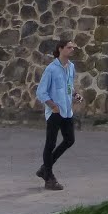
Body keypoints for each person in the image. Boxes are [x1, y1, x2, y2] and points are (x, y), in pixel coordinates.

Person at [35, 38, 82, 191]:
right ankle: (49, 178)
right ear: (60, 49)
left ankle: (45, 168)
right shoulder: (51, 69)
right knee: (50, 143)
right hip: (55, 112)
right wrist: (52, 105)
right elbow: (41, 92)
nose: (72, 50)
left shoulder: (71, 67)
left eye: (73, 48)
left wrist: (75, 95)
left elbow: (69, 86)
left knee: (70, 140)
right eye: (69, 47)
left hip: (67, 111)